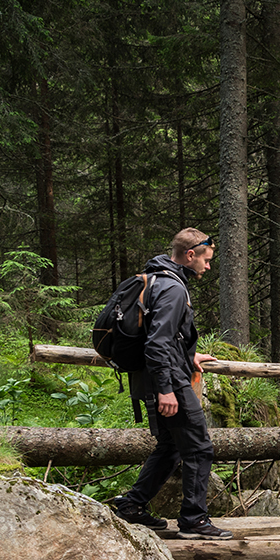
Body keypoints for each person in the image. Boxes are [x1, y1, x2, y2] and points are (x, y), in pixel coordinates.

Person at [108, 228, 232, 540]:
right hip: (168, 382)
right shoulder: (173, 289)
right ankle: (193, 519)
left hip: (152, 377)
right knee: (200, 448)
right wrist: (166, 389)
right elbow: (156, 343)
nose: (207, 266)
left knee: (171, 446)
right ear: (191, 255)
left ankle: (132, 505)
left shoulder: (156, 278)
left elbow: (162, 336)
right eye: (206, 260)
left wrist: (189, 354)